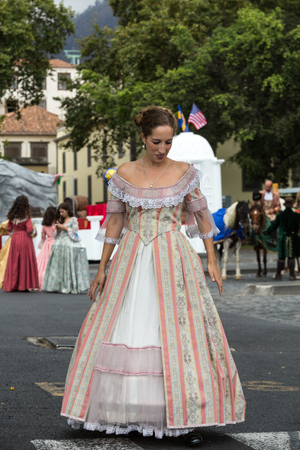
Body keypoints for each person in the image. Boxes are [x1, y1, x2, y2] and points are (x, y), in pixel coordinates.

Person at [61, 106, 246, 445]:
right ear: (143, 138)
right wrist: (102, 267)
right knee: (127, 328)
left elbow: (203, 218)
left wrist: (213, 262)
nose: (162, 150)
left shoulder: (186, 172)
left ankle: (184, 419)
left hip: (174, 257)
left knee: (179, 335)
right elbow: (115, 222)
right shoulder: (124, 174)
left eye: (168, 143)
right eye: (156, 142)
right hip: (131, 258)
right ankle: (128, 410)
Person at [43, 203, 90, 294]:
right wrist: (58, 229)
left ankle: (68, 284)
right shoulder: (60, 220)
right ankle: (57, 285)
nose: (61, 213)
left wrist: (64, 227)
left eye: (62, 211)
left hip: (68, 242)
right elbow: (56, 235)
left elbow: (75, 231)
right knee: (58, 265)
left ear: (67, 211)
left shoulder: (73, 220)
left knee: (67, 264)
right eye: (60, 212)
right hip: (59, 243)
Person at [3, 195, 39, 291]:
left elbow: (8, 228)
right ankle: (24, 285)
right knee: (24, 261)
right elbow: (30, 229)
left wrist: (15, 231)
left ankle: (13, 284)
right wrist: (31, 232)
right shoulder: (26, 216)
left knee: (14, 261)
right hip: (24, 239)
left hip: (15, 238)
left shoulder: (11, 215)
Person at [264, 197, 300, 280]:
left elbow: (274, 226)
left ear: (285, 206)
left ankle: (278, 274)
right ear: (291, 205)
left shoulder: (280, 215)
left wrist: (266, 232)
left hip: (282, 238)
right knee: (291, 257)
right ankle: (292, 275)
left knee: (281, 257)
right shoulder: (297, 216)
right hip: (293, 238)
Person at [37, 206, 57, 290]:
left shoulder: (44, 225)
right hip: (55, 242)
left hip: (46, 244)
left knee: (42, 263)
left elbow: (42, 237)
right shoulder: (56, 223)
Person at [0, 220, 12, 289]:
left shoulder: (11, 220)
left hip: (12, 241)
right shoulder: (25, 219)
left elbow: (2, 225)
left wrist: (9, 232)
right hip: (20, 240)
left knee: (6, 261)